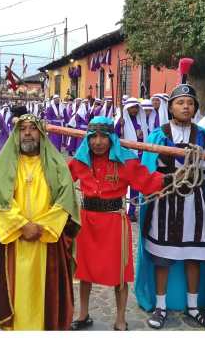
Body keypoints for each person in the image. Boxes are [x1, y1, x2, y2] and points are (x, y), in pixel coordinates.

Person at [68, 116, 173, 331]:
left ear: (112, 138)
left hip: (114, 223)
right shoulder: (80, 160)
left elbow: (147, 181)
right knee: (84, 271)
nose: (98, 142)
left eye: (103, 137)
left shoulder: (126, 162)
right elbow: (61, 179)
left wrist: (171, 179)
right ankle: (83, 314)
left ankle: (120, 318)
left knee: (119, 273)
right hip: (87, 222)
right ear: (87, 139)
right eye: (93, 136)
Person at [134, 83, 205, 330]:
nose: (186, 106)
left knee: (194, 256)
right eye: (180, 102)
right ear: (171, 107)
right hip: (164, 203)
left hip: (194, 204)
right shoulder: (158, 135)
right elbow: (147, 171)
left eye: (190, 103)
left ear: (195, 108)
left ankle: (194, 307)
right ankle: (160, 306)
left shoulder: (203, 137)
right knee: (163, 257)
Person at [0, 113, 80, 330]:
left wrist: (43, 227)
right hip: (15, 241)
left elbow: (65, 201)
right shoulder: (4, 165)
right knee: (17, 296)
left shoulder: (57, 165)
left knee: (46, 296)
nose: (27, 133)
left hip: (48, 242)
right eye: (23, 129)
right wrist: (22, 225)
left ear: (41, 133)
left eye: (32, 128)